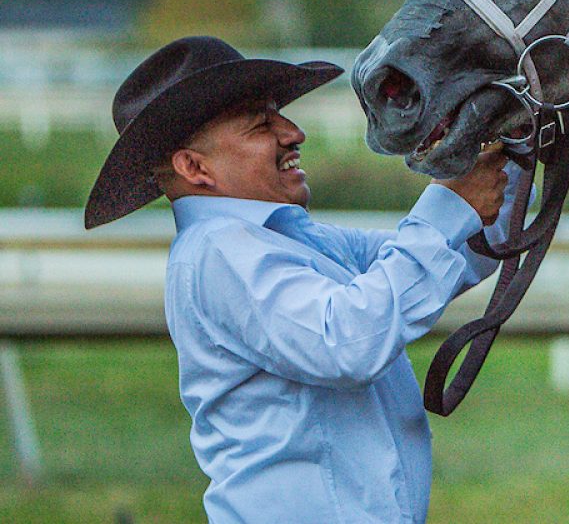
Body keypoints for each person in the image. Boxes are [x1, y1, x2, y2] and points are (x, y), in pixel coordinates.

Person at [84, 35, 514, 524]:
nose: (293, 131)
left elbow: (457, 256)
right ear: (194, 167)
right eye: (261, 124)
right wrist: (452, 203)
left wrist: (505, 146)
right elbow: (348, 342)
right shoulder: (217, 251)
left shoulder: (281, 241)